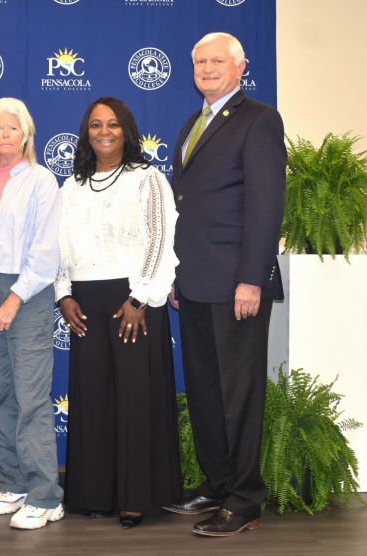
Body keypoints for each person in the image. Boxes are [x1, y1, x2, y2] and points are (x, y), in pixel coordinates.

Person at [162, 32, 286, 537]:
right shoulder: (195, 122)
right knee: (207, 392)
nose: (207, 68)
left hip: (237, 284)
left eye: (218, 61)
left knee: (239, 396)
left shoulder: (258, 119)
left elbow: (265, 206)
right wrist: (176, 272)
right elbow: (186, 206)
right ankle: (216, 484)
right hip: (194, 282)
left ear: (240, 68)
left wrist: (250, 279)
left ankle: (245, 498)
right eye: (200, 61)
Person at [55, 97, 182, 529]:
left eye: (112, 124)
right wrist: (63, 294)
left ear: (126, 130)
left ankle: (134, 497)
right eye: (95, 125)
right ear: (86, 132)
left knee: (133, 397)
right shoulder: (71, 185)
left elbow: (161, 239)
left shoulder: (147, 179)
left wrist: (141, 297)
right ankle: (96, 493)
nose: (103, 131)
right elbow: (57, 243)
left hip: (133, 301)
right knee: (93, 398)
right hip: (84, 301)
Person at [0, 97, 64, 530]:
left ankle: (45, 496)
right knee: (3, 397)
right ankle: (14, 484)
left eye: (12, 128)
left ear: (26, 135)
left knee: (32, 400)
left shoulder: (42, 182)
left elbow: (46, 251)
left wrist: (12, 302)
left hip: (29, 296)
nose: (4, 136)